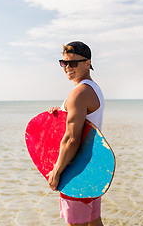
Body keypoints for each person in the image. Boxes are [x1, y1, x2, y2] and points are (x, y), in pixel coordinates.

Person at [47, 41, 105, 226]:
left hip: (76, 170)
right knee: (94, 221)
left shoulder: (78, 93)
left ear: (88, 63)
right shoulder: (93, 88)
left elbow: (72, 138)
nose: (67, 68)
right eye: (64, 63)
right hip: (93, 167)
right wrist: (60, 116)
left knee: (76, 223)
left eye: (73, 63)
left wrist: (56, 171)